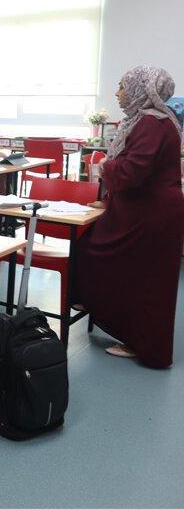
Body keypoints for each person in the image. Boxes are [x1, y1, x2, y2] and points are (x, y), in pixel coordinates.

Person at [75, 66, 184, 367]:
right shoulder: (151, 120)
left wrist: (103, 168)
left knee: (145, 281)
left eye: (122, 85)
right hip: (145, 208)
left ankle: (145, 345)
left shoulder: (152, 122)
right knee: (137, 275)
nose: (117, 92)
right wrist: (108, 199)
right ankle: (131, 333)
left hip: (151, 212)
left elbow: (133, 171)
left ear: (141, 88)